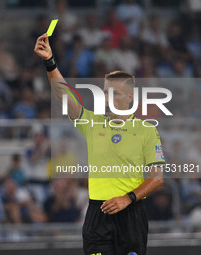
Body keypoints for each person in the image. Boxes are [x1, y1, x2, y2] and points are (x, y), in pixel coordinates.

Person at [34, 33, 165, 255]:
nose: (107, 99)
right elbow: (63, 96)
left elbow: (157, 177)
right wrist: (50, 62)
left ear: (130, 97)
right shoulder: (92, 122)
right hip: (98, 214)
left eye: (115, 94)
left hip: (131, 214)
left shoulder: (146, 130)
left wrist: (127, 198)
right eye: (105, 93)